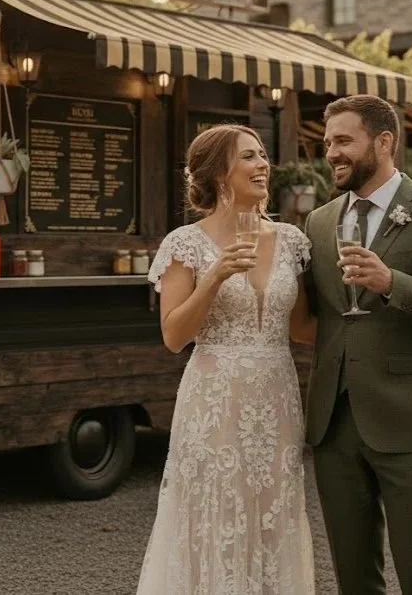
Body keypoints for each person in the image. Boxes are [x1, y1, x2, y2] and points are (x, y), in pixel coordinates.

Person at [303, 94, 412, 595]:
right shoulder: (318, 223)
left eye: (343, 140)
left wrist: (391, 283)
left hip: (410, 421)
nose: (331, 152)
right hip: (334, 424)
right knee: (354, 578)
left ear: (384, 142)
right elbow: (309, 315)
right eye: (327, 143)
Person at [137, 124, 317, 594]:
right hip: (214, 403)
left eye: (263, 156)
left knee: (272, 512)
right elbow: (174, 336)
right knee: (215, 512)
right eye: (250, 157)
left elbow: (301, 329)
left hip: (275, 399)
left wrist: (371, 319)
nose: (263, 165)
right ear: (220, 173)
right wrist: (214, 277)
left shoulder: (294, 241)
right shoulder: (185, 243)